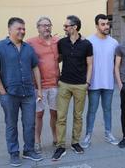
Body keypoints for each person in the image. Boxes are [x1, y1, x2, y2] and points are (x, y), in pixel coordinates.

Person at [0, 17, 43, 167]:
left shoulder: (28, 48)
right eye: (19, 28)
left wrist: (38, 89)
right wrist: (2, 92)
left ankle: (29, 150)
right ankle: (13, 153)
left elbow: (35, 68)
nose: (22, 31)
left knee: (29, 124)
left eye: (23, 29)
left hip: (28, 93)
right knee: (11, 124)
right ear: (9, 29)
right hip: (9, 95)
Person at [52, 15, 93, 161]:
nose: (64, 28)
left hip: (80, 85)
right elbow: (58, 59)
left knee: (78, 116)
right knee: (61, 117)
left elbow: (90, 64)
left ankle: (75, 142)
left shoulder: (86, 44)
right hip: (64, 84)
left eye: (66, 26)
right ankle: (61, 146)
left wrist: (87, 83)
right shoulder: (62, 42)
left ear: (74, 27)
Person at [81, 14, 119, 148]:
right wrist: (86, 82)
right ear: (97, 25)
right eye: (103, 24)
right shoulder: (88, 41)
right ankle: (88, 135)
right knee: (91, 110)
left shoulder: (114, 42)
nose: (106, 26)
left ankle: (108, 133)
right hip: (94, 83)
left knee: (107, 110)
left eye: (107, 24)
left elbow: (117, 63)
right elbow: (85, 63)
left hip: (108, 83)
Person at [26, 16, 59, 153]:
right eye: (43, 25)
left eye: (48, 25)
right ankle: (37, 141)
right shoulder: (30, 42)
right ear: (38, 27)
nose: (46, 27)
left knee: (54, 113)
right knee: (38, 114)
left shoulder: (57, 41)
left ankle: (55, 137)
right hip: (38, 87)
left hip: (55, 85)